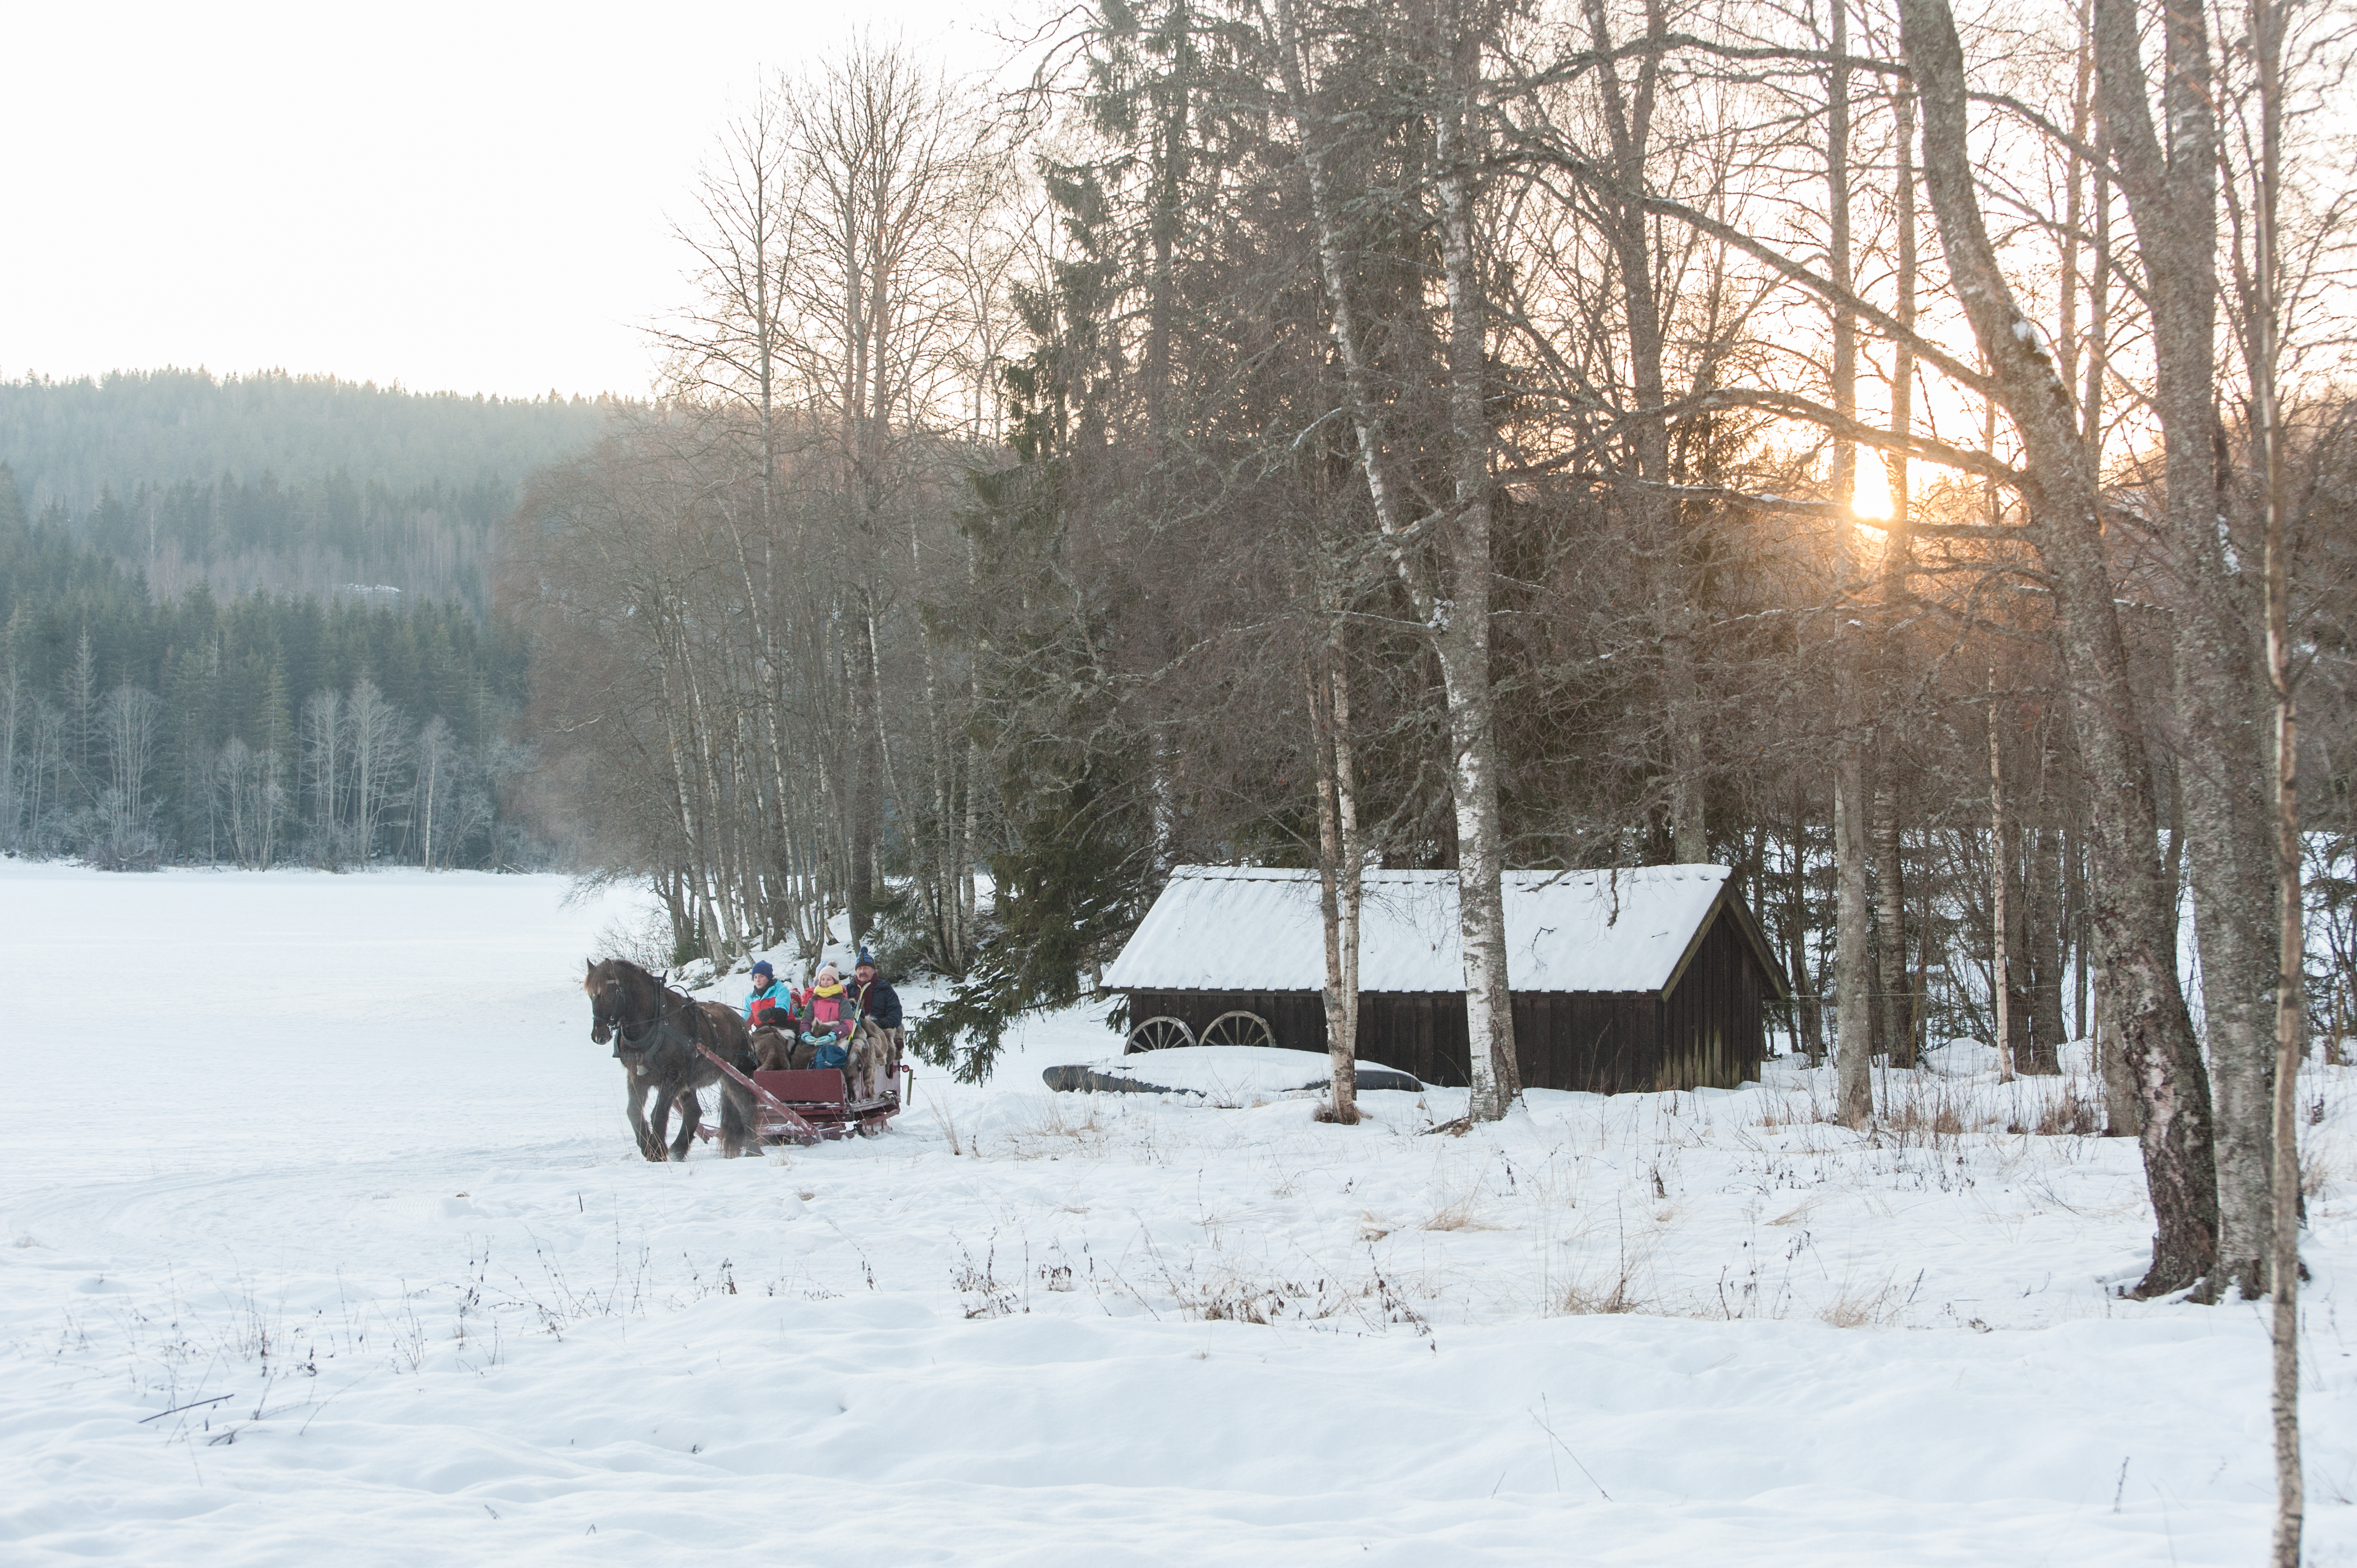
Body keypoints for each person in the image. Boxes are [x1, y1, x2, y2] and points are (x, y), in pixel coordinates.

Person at [799, 964, 853, 1069]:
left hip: (836, 1037)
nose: (825, 982)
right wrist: (806, 1034)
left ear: (835, 981)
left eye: (829, 979)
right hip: (815, 1037)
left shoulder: (842, 1001)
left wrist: (833, 1035)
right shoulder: (813, 1000)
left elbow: (848, 1024)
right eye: (823, 979)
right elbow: (806, 1021)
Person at [742, 960, 791, 1032]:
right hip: (761, 1031)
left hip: (784, 1028)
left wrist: (771, 1013)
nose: (758, 980)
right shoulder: (750, 998)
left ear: (768, 977)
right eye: (755, 977)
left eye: (761, 976)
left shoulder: (781, 990)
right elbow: (746, 1019)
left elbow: (783, 1013)